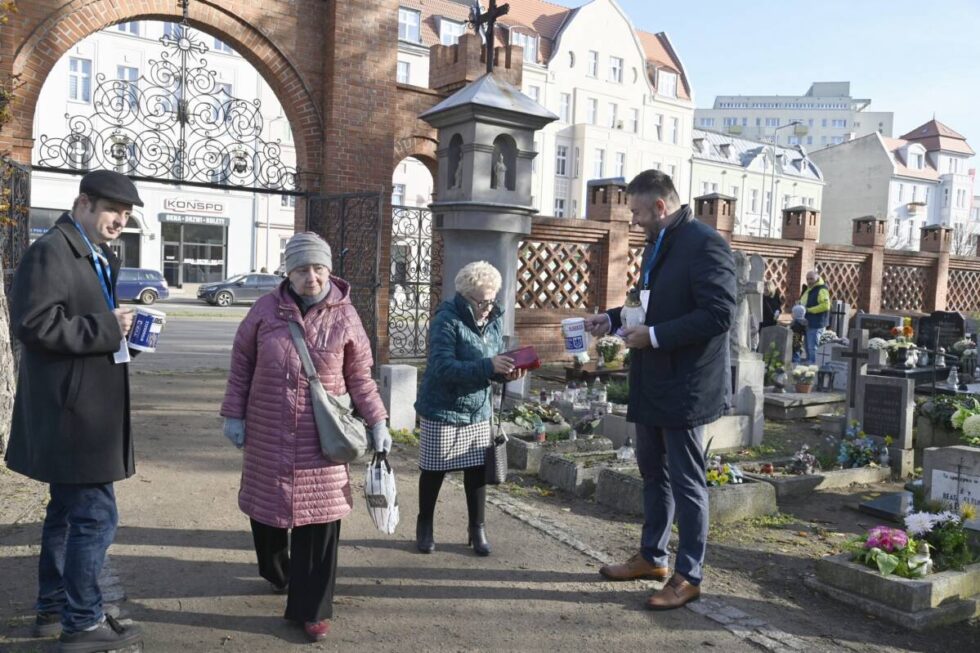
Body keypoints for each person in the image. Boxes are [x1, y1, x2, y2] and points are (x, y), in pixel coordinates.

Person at [220, 232, 391, 642]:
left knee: (320, 519)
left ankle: (312, 608)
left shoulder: (346, 317)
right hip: (268, 431)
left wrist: (378, 422)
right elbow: (241, 364)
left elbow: (360, 378)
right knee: (266, 515)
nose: (310, 276)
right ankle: (278, 573)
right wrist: (233, 414)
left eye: (318, 268)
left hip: (322, 438)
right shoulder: (264, 310)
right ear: (288, 272)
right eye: (301, 269)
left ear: (329, 270)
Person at [5, 170, 144, 651]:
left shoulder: (94, 252)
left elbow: (86, 322)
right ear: (84, 203)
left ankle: (53, 607)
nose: (119, 222)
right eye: (113, 211)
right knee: (95, 517)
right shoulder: (51, 251)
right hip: (72, 415)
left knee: (66, 515)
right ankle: (82, 622)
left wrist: (127, 337)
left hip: (84, 409)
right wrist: (108, 328)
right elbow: (35, 325)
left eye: (126, 215)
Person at [584, 169, 735, 610]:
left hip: (686, 383)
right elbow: (645, 306)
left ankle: (689, 575)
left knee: (688, 483)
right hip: (653, 380)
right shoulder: (658, 246)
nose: (633, 220)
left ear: (660, 208)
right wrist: (611, 321)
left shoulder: (706, 245)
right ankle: (653, 557)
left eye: (636, 212)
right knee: (653, 473)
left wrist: (654, 337)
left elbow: (718, 315)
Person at [413, 261, 525, 556]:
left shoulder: (494, 318)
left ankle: (477, 528)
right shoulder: (446, 320)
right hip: (443, 407)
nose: (489, 306)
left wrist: (505, 372)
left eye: (492, 299)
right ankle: (424, 524)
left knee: (476, 470)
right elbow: (440, 367)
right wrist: (488, 366)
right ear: (464, 296)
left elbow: (490, 365)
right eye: (482, 301)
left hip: (478, 410)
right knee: (434, 470)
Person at [799, 270, 830, 363]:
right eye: (807, 279)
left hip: (817, 323)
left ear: (817, 278)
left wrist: (809, 310)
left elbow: (826, 306)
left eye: (811, 278)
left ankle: (814, 368)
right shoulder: (810, 289)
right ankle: (809, 366)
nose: (809, 281)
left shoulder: (822, 289)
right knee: (808, 347)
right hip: (808, 322)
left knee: (813, 348)